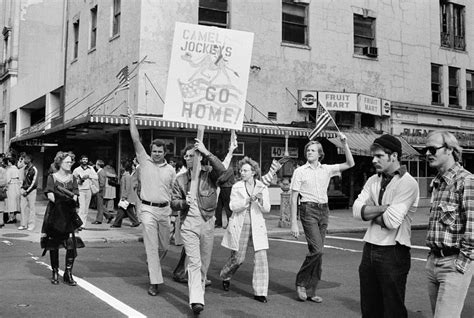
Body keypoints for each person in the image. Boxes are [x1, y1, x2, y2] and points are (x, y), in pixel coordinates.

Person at [352, 134, 419, 317]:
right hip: (370, 248)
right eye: (373, 156)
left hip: (394, 251)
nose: (374, 160)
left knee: (393, 309)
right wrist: (384, 208)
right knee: (369, 308)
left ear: (394, 156)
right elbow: (356, 211)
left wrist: (370, 212)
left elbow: (392, 221)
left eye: (379, 156)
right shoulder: (373, 180)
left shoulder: (408, 183)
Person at [290, 133, 354, 302]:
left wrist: (344, 144)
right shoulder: (300, 171)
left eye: (313, 150)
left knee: (316, 252)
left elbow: (350, 163)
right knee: (318, 250)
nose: (310, 152)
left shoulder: (327, 169)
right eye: (308, 150)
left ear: (320, 153)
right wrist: (293, 223)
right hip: (308, 210)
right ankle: (301, 282)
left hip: (323, 211)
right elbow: (293, 197)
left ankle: (311, 291)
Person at [170, 140, 226, 315]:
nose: (187, 159)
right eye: (185, 156)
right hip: (189, 225)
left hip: (207, 221)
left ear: (199, 157)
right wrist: (183, 202)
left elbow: (224, 173)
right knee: (194, 262)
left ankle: (198, 292)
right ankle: (196, 300)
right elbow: (173, 202)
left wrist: (207, 152)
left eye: (191, 155)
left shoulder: (209, 174)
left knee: (204, 264)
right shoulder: (180, 179)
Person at [423, 130, 473, 317]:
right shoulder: (438, 183)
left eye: (432, 149)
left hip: (453, 263)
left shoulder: (466, 181)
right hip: (434, 261)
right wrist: (431, 260)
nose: (427, 153)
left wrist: (460, 266)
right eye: (425, 150)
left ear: (450, 150)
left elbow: (473, 230)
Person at [128, 107, 176, 297]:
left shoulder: (171, 170)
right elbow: (135, 139)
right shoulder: (144, 161)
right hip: (147, 209)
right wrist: (132, 118)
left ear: (165, 152)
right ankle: (155, 282)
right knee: (151, 246)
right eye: (154, 151)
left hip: (165, 211)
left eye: (160, 151)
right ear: (150, 151)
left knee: (164, 246)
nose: (156, 153)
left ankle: (153, 260)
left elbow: (174, 191)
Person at [220, 156, 271, 303]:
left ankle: (260, 292)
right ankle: (225, 275)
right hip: (240, 225)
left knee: (261, 259)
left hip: (257, 227)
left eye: (245, 170)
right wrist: (247, 200)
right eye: (241, 170)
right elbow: (232, 207)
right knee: (238, 258)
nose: (242, 173)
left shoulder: (262, 186)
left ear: (253, 172)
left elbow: (266, 208)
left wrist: (260, 200)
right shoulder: (237, 187)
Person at [40, 151, 84, 286]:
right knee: (54, 244)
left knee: (71, 244)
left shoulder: (73, 178)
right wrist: (67, 198)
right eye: (67, 161)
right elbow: (50, 195)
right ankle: (54, 272)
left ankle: (68, 273)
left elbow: (76, 195)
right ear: (60, 162)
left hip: (69, 213)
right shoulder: (52, 177)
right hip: (55, 213)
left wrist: (71, 198)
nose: (70, 164)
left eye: (71, 162)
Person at [111, 159, 140, 228]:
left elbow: (127, 188)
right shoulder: (126, 175)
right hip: (128, 197)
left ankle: (117, 223)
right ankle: (135, 222)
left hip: (127, 197)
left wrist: (124, 196)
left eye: (121, 166)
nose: (120, 167)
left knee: (121, 210)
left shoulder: (126, 176)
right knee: (128, 210)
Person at [73, 155, 98, 229]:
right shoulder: (77, 170)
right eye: (83, 159)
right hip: (80, 190)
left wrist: (89, 176)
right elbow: (73, 179)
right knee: (82, 207)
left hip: (88, 190)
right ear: (80, 160)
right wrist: (79, 180)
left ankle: (83, 224)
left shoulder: (91, 169)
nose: (85, 161)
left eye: (86, 159)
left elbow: (96, 177)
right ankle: (79, 224)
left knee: (86, 208)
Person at [19, 153, 38, 231]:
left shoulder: (34, 169)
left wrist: (27, 191)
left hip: (31, 191)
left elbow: (34, 183)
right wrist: (21, 189)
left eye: (26, 159)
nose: (24, 160)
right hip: (24, 190)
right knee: (23, 208)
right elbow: (23, 180)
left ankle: (31, 224)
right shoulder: (25, 168)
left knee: (31, 208)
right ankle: (23, 224)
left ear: (29, 160)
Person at [92, 159, 113, 224]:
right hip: (100, 190)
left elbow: (102, 183)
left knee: (99, 206)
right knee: (100, 205)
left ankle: (99, 220)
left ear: (98, 165)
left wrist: (98, 190)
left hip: (100, 190)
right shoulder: (101, 171)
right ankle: (109, 216)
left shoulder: (101, 172)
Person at [4, 157, 21, 224]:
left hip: (11, 186)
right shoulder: (17, 169)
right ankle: (14, 217)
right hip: (16, 186)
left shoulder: (9, 170)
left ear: (9, 162)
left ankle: (11, 218)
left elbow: (7, 180)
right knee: (15, 201)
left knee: (10, 202)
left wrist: (5, 186)